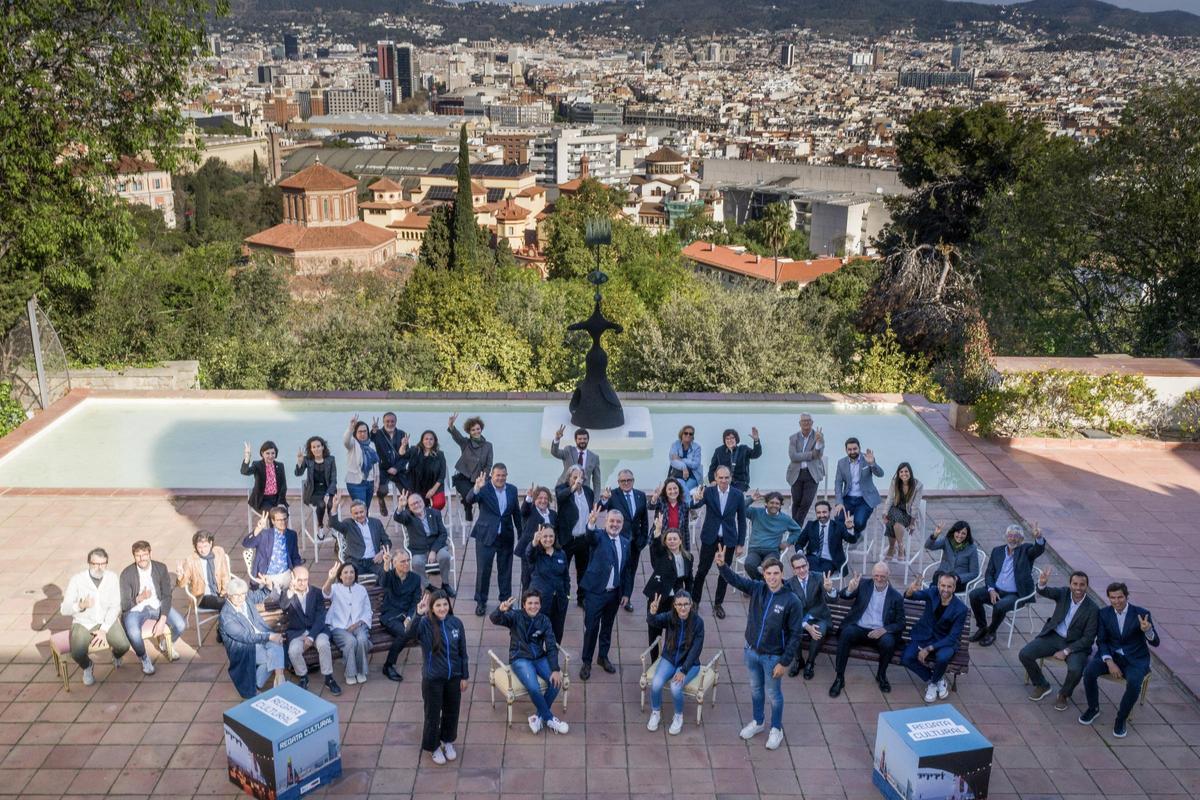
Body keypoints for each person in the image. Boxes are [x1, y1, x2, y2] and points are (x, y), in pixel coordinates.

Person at [715, 549, 803, 751]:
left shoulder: (792, 601)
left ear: (782, 574)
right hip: (752, 651)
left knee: (774, 694)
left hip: (773, 657)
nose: (772, 577)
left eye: (775, 573)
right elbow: (736, 580)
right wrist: (722, 565)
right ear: (763, 575)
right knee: (755, 690)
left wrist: (784, 662)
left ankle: (776, 729)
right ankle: (758, 721)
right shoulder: (757, 588)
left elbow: (795, 635)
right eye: (768, 573)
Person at [1079, 582, 1160, 738]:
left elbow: (1156, 643)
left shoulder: (1141, 613)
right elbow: (1101, 641)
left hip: (1135, 659)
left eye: (1120, 597)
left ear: (1126, 596)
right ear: (1109, 598)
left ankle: (1121, 719)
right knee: (1088, 672)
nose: (1117, 601)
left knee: (1134, 684)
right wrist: (1109, 662)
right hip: (1111, 656)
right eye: (1113, 598)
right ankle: (1093, 708)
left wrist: (1147, 630)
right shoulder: (1104, 614)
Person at [401, 590, 469, 765]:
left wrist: (464, 676)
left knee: (452, 711)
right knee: (432, 714)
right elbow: (408, 635)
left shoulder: (456, 623)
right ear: (431, 607)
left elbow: (463, 653)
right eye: (438, 605)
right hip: (433, 680)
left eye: (445, 604)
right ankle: (433, 746)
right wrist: (417, 614)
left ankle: (448, 741)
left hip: (454, 677)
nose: (442, 608)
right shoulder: (424, 624)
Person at [490, 591, 569, 735]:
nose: (533, 606)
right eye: (530, 603)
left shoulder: (544, 620)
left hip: (539, 657)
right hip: (520, 658)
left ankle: (537, 717)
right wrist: (500, 610)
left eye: (536, 603)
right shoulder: (515, 616)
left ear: (540, 605)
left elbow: (551, 646)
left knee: (557, 682)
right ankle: (549, 718)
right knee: (533, 687)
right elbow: (494, 619)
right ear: (524, 605)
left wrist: (555, 669)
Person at [1021, 568, 1098, 710]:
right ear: (1070, 585)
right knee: (1025, 654)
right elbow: (1045, 592)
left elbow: (1088, 639)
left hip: (1076, 645)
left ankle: (1064, 694)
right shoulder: (1063, 593)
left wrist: (1067, 651)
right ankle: (1042, 685)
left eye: (1082, 585)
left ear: (1087, 586)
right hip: (1054, 636)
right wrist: (1042, 583)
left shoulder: (1093, 609)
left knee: (1076, 669)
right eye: (1075, 584)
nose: (1078, 588)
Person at [829, 562, 905, 698]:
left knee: (889, 642)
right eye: (876, 575)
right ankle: (839, 677)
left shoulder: (896, 597)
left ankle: (881, 675)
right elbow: (844, 595)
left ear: (888, 575)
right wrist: (850, 589)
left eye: (882, 576)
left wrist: (884, 630)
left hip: (879, 632)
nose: (879, 579)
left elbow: (901, 623)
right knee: (846, 634)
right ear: (872, 575)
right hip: (860, 628)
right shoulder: (863, 584)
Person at [969, 523, 1047, 647]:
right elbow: (989, 573)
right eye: (1010, 535)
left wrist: (1039, 537)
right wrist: (991, 589)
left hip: (1015, 594)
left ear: (1021, 539)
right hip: (996, 590)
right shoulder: (997, 551)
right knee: (974, 595)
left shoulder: (1026, 550)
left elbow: (1038, 550)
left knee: (999, 606)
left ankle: (991, 632)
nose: (1012, 538)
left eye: (1016, 536)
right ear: (1006, 537)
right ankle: (982, 627)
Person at [61, 548, 130, 686]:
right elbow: (64, 609)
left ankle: (115, 656)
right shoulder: (77, 580)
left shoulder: (112, 577)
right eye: (95, 564)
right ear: (89, 563)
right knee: (77, 653)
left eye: (103, 564)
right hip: (83, 622)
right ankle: (87, 666)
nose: (99, 568)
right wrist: (80, 606)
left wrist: (104, 630)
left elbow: (115, 606)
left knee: (123, 646)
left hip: (106, 621)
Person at [578, 506, 632, 680]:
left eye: (618, 522)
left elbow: (627, 571)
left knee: (607, 627)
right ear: (605, 522)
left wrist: (626, 593)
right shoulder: (599, 536)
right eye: (611, 521)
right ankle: (586, 662)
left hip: (614, 594)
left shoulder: (625, 542)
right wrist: (591, 524)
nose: (614, 524)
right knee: (592, 628)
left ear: (622, 524)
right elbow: (590, 536)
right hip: (595, 592)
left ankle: (602, 657)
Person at [119, 540, 185, 675]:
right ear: (134, 557)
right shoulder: (126, 574)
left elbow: (167, 595)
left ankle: (166, 644)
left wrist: (162, 620)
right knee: (133, 633)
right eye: (138, 555)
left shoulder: (160, 568)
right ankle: (143, 658)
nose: (142, 558)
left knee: (180, 624)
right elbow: (125, 605)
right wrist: (139, 598)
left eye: (144, 554)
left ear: (150, 554)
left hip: (157, 604)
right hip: (135, 609)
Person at [689, 466, 746, 619]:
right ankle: (695, 601)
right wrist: (696, 498)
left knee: (724, 573)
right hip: (710, 538)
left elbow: (741, 519)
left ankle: (718, 604)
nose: (723, 480)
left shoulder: (738, 495)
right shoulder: (708, 492)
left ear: (731, 477)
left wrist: (740, 543)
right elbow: (694, 505)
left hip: (728, 540)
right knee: (702, 571)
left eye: (726, 477)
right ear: (715, 477)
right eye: (720, 477)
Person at [645, 590, 705, 736]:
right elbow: (653, 622)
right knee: (657, 683)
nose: (682, 608)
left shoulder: (698, 623)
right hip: (670, 658)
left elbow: (696, 650)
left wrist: (683, 670)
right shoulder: (670, 617)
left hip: (689, 664)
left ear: (691, 605)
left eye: (686, 604)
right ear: (674, 605)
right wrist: (652, 612)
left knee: (675, 687)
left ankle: (678, 716)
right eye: (679, 604)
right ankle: (656, 712)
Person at [902, 573, 969, 702]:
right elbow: (911, 596)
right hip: (923, 636)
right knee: (906, 658)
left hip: (944, 641)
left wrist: (928, 649)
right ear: (938, 585)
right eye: (943, 585)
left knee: (942, 657)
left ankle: (933, 685)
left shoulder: (961, 609)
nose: (945, 589)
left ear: (954, 588)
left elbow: (952, 637)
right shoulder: (932, 593)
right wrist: (911, 590)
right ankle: (935, 679)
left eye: (949, 586)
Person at [466, 463, 520, 617]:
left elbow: (516, 512)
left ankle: (505, 601)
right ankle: (481, 602)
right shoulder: (484, 488)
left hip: (506, 536)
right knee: (484, 571)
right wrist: (477, 487)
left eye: (503, 475)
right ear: (492, 476)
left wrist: (522, 535)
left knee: (505, 570)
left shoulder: (512, 490)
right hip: (485, 537)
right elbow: (469, 499)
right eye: (498, 475)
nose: (501, 478)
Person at [219, 576, 285, 699]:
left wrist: (268, 586)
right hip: (245, 647)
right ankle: (275, 684)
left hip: (260, 636)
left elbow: (259, 595)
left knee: (276, 646)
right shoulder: (226, 617)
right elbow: (247, 637)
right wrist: (269, 636)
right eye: (236, 595)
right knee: (273, 655)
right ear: (229, 595)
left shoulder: (245, 599)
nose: (240, 598)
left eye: (243, 594)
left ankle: (275, 680)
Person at [278, 566, 341, 695]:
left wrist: (311, 637)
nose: (302, 583)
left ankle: (328, 678)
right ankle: (303, 677)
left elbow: (321, 617)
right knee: (293, 651)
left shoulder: (316, 593)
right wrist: (291, 591)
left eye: (305, 580)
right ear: (293, 579)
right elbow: (283, 605)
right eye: (299, 580)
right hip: (297, 632)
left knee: (323, 644)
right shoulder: (287, 594)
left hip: (317, 631)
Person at [643, 516, 694, 659]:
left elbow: (689, 579)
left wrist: (690, 598)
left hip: (675, 599)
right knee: (654, 631)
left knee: (673, 631)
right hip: (658, 596)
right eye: (669, 539)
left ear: (680, 540)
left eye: (675, 538)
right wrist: (658, 530)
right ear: (665, 541)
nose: (672, 541)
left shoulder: (688, 557)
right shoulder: (662, 554)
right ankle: (654, 661)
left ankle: (668, 659)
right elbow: (655, 547)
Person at [602, 469, 649, 612]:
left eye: (629, 480)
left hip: (635, 543)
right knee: (615, 569)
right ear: (618, 482)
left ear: (633, 481)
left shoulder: (641, 495)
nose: (626, 483)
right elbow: (601, 507)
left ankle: (626, 596)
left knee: (631, 571)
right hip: (617, 540)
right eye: (623, 481)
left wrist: (643, 540)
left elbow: (644, 520)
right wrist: (604, 499)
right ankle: (610, 596)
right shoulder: (613, 495)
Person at [393, 490, 454, 594]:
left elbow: (443, 533)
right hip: (418, 549)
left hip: (437, 546)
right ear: (409, 507)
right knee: (416, 563)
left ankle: (445, 584)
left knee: (445, 556)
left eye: (418, 502)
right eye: (412, 504)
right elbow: (397, 517)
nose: (416, 505)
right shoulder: (408, 517)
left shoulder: (435, 513)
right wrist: (400, 507)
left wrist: (434, 551)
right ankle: (427, 585)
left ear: (423, 502)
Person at [784, 554, 832, 680]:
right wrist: (806, 625)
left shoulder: (818, 577)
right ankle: (799, 660)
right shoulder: (789, 584)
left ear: (808, 565)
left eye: (804, 566)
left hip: (819, 616)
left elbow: (831, 599)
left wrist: (829, 590)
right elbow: (790, 611)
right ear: (793, 570)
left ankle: (810, 663)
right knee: (792, 630)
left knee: (818, 632)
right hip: (800, 618)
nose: (802, 570)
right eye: (798, 568)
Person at [323, 561, 372, 685]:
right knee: (351, 641)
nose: (349, 575)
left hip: (358, 624)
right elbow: (325, 593)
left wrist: (358, 624)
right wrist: (330, 579)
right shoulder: (335, 588)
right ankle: (350, 673)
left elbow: (367, 610)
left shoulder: (361, 589)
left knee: (361, 639)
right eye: (345, 572)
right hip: (339, 627)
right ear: (340, 575)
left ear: (355, 575)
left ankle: (361, 671)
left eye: (352, 572)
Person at [379, 548, 423, 682]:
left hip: (406, 615)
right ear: (395, 563)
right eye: (402, 561)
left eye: (408, 561)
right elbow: (382, 583)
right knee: (405, 632)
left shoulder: (415, 578)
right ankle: (388, 665)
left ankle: (434, 661)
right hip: (390, 615)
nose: (406, 564)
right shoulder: (390, 576)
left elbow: (415, 601)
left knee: (423, 627)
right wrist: (386, 565)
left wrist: (410, 617)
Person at [242, 506, 304, 600]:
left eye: (285, 519)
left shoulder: (292, 535)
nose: (283, 522)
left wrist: (298, 571)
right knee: (279, 597)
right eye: (279, 520)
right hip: (268, 575)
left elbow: (295, 556)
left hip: (286, 573)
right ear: (273, 521)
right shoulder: (264, 534)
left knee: (300, 591)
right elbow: (246, 544)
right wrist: (258, 529)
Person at [555, 466, 595, 607]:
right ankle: (563, 595)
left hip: (583, 538)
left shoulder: (588, 492)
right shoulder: (562, 489)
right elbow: (560, 498)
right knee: (562, 569)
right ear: (569, 478)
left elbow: (593, 509)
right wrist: (573, 488)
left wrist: (605, 500)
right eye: (575, 477)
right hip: (567, 539)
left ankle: (581, 598)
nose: (578, 480)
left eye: (581, 477)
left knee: (583, 569)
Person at [789, 500, 859, 577]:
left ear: (830, 512)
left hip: (830, 560)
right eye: (819, 512)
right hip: (812, 558)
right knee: (800, 570)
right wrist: (800, 554)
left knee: (816, 576)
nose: (822, 515)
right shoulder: (811, 525)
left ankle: (813, 587)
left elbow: (852, 540)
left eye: (824, 512)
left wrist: (850, 528)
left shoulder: (838, 526)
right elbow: (799, 543)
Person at [328, 496, 391, 582]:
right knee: (343, 576)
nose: (359, 515)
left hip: (374, 560)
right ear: (352, 515)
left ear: (366, 511)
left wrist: (382, 552)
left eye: (361, 512)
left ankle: (380, 593)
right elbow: (333, 523)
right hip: (355, 561)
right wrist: (334, 506)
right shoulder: (348, 524)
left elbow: (387, 541)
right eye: (356, 513)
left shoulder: (376, 523)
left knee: (388, 574)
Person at [744, 491, 802, 580]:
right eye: (771, 502)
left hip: (772, 551)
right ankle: (762, 584)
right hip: (754, 550)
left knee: (770, 567)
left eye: (777, 503)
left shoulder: (785, 519)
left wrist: (788, 542)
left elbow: (797, 530)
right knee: (749, 564)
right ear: (766, 503)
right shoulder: (756, 513)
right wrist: (751, 499)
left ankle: (759, 587)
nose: (774, 505)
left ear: (780, 505)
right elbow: (740, 508)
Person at [527, 526, 570, 645]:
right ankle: (538, 660)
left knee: (556, 634)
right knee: (537, 634)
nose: (548, 539)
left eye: (551, 536)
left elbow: (566, 577)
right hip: (541, 602)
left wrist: (567, 595)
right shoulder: (536, 553)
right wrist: (534, 543)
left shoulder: (561, 554)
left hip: (559, 602)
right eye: (544, 536)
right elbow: (529, 554)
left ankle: (552, 661)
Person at [447, 413, 493, 522]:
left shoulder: (488, 445)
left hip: (480, 478)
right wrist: (451, 425)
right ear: (469, 432)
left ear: (481, 429)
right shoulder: (465, 443)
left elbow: (489, 464)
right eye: (473, 430)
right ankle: (467, 506)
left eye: (478, 429)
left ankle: (485, 517)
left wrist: (484, 477)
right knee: (469, 495)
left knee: (486, 495)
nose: (476, 431)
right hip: (464, 477)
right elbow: (457, 436)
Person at [833, 437, 884, 535]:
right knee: (838, 517)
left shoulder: (867, 459)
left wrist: (872, 463)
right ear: (846, 450)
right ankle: (845, 538)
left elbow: (880, 474)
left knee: (859, 522)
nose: (852, 451)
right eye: (850, 449)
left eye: (855, 449)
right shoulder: (841, 463)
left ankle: (856, 536)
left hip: (865, 499)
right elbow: (838, 483)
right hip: (848, 498)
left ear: (859, 448)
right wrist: (839, 502)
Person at [177, 530, 230, 613]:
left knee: (239, 600)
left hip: (220, 593)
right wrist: (180, 576)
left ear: (211, 543)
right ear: (195, 547)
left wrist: (225, 592)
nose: (203, 550)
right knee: (227, 605)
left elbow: (225, 575)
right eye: (199, 547)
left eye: (205, 546)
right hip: (202, 596)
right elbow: (182, 584)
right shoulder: (191, 560)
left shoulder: (219, 552)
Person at [786, 414, 825, 525]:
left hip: (811, 474)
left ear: (812, 422)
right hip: (796, 473)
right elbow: (793, 456)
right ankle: (796, 529)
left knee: (806, 502)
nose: (806, 423)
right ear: (800, 423)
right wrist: (810, 455)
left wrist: (818, 443)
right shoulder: (793, 438)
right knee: (796, 502)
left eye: (808, 421)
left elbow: (818, 454)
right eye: (803, 421)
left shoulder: (818, 435)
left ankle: (795, 528)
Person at [880, 463, 924, 560]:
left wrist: (912, 523)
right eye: (901, 472)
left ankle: (893, 547)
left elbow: (915, 506)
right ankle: (900, 546)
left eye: (906, 471)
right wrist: (884, 513)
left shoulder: (918, 486)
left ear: (910, 472)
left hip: (908, 513)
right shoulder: (895, 482)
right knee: (891, 516)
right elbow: (890, 499)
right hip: (895, 508)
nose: (904, 474)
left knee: (892, 521)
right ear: (898, 473)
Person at [516, 486, 556, 592]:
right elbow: (524, 510)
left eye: (546, 498)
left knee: (543, 580)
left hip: (545, 552)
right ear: (535, 499)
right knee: (527, 581)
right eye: (540, 498)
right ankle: (525, 606)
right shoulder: (531, 510)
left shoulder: (553, 514)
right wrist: (528, 497)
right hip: (529, 551)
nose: (543, 501)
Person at [295, 436, 337, 533]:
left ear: (323, 447)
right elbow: (298, 474)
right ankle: (320, 526)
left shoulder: (331, 460)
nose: (316, 449)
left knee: (331, 504)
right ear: (310, 449)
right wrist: (299, 462)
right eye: (313, 447)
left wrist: (328, 494)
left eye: (318, 446)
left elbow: (333, 480)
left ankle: (332, 525)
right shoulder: (307, 460)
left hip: (327, 490)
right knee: (321, 505)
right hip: (313, 492)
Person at [372, 412, 410, 516]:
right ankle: (381, 500)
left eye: (392, 421)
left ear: (396, 421)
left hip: (399, 469)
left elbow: (406, 456)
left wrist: (396, 468)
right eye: (387, 421)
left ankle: (406, 514)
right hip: (384, 469)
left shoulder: (402, 434)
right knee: (382, 491)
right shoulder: (378, 433)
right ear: (383, 422)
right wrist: (373, 431)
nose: (390, 423)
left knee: (407, 492)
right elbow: (370, 438)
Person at [925, 521, 979, 592]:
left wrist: (958, 578)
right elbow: (928, 546)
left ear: (967, 535)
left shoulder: (972, 548)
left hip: (958, 581)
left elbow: (974, 573)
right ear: (953, 532)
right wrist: (935, 535)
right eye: (958, 532)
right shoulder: (947, 541)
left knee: (937, 590)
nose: (960, 535)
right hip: (942, 575)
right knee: (937, 587)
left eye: (963, 533)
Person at [551, 425, 601, 495]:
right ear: (575, 440)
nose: (582, 441)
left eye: (584, 439)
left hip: (582, 492)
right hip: (565, 489)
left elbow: (597, 481)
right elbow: (555, 453)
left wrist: (596, 500)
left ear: (588, 440)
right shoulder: (568, 450)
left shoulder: (594, 457)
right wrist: (557, 439)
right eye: (580, 439)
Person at [708, 427, 761, 492]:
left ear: (736, 439)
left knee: (734, 494)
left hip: (739, 483)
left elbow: (756, 454)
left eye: (732, 438)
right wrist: (712, 480)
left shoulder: (743, 449)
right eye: (727, 438)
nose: (730, 440)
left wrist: (756, 441)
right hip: (723, 481)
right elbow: (712, 469)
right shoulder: (719, 451)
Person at [343, 415, 380, 507]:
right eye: (360, 432)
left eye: (365, 431)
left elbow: (375, 465)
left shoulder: (371, 444)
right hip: (355, 483)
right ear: (355, 433)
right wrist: (351, 427)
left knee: (366, 510)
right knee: (360, 508)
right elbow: (346, 440)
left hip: (369, 482)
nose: (362, 434)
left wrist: (376, 480)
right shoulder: (352, 444)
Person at [241, 440, 288, 512]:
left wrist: (280, 502)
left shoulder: (280, 466)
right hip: (262, 500)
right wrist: (247, 458)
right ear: (262, 454)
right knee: (274, 514)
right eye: (267, 453)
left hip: (277, 499)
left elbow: (283, 486)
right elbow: (245, 472)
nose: (270, 456)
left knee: (283, 514)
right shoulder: (257, 465)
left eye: (273, 453)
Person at [649, 477, 692, 551]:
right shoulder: (661, 502)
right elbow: (650, 506)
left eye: (675, 488)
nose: (673, 491)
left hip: (675, 542)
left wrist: (687, 549)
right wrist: (654, 499)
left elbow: (685, 528)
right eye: (669, 489)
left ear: (679, 489)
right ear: (665, 491)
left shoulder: (684, 505)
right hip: (660, 540)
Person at [409, 430, 448, 511]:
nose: (428, 441)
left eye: (431, 439)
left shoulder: (440, 454)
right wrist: (403, 446)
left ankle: (431, 515)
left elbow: (442, 475)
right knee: (416, 505)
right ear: (422, 441)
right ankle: (423, 517)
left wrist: (433, 490)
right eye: (426, 439)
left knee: (439, 503)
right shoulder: (415, 451)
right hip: (418, 486)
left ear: (435, 441)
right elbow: (403, 454)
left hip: (435, 485)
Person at [667, 425, 703, 493]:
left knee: (684, 490)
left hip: (693, 476)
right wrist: (684, 467)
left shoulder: (697, 447)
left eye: (691, 434)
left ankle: (685, 504)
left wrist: (680, 459)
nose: (688, 435)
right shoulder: (675, 445)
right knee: (677, 489)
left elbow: (695, 464)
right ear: (681, 434)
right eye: (686, 433)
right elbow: (673, 461)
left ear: (693, 436)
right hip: (678, 475)